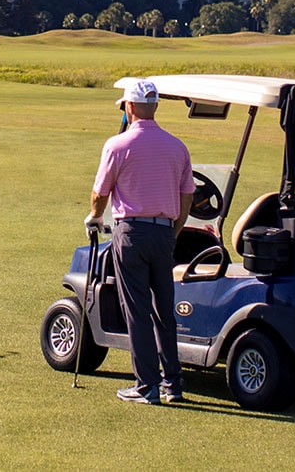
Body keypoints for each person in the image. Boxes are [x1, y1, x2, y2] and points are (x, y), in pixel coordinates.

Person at [85, 80, 194, 405]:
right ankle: (172, 384)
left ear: (129, 107)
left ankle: (146, 386)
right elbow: (186, 196)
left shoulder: (117, 145)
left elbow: (100, 193)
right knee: (164, 311)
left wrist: (94, 216)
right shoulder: (177, 146)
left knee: (137, 310)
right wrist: (174, 231)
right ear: (155, 106)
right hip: (164, 233)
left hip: (131, 233)